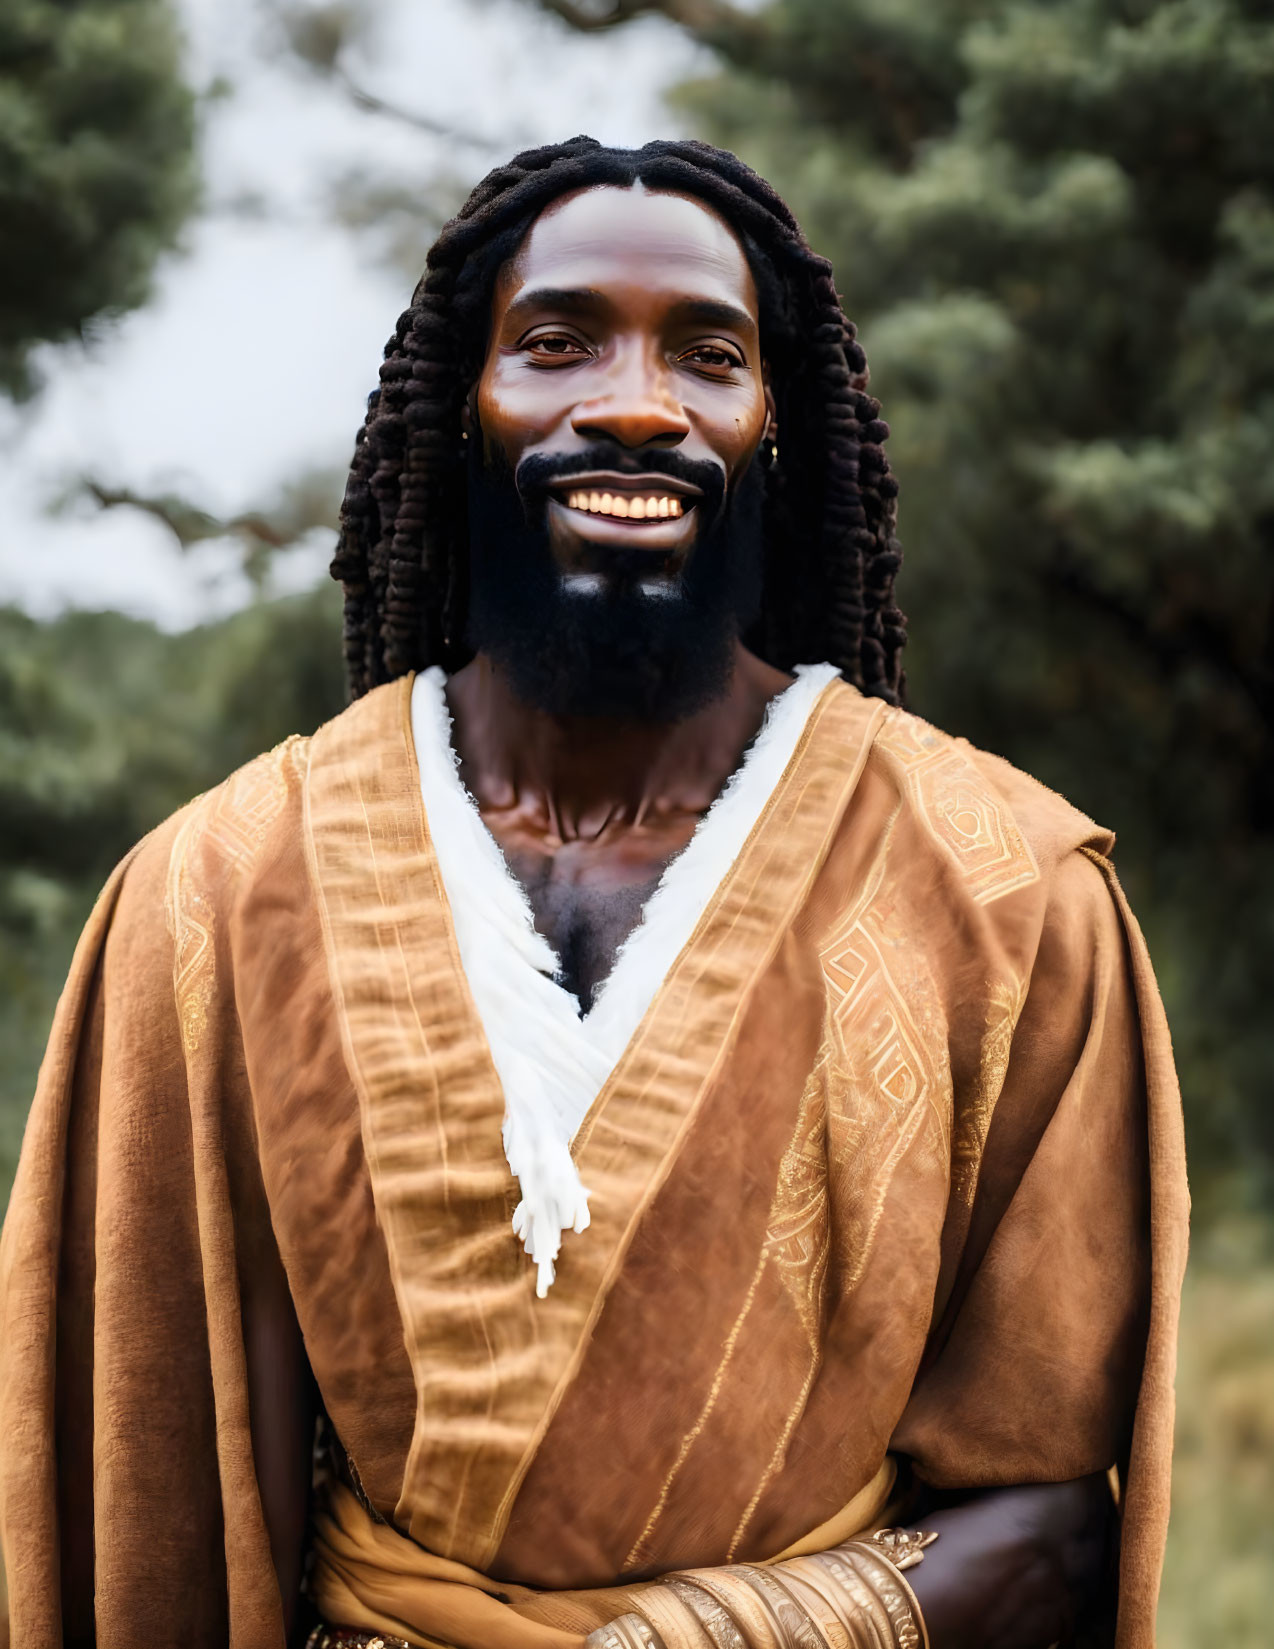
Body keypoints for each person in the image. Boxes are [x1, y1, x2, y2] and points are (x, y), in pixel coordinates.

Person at [0, 137, 1188, 1649]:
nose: (634, 403)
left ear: (775, 422)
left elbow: (1049, 1521)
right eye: (555, 345)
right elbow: (144, 1509)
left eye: (706, 354)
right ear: (460, 410)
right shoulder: (218, 893)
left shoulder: (1007, 892)